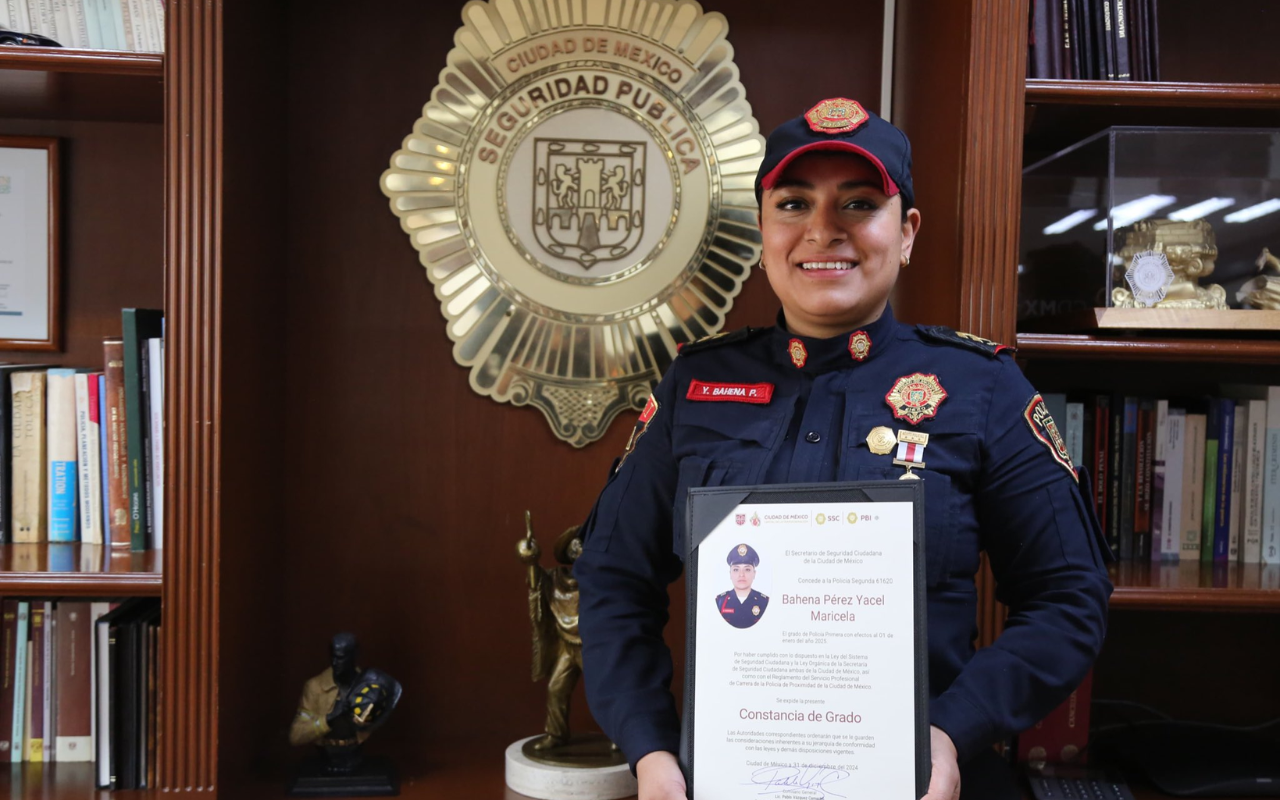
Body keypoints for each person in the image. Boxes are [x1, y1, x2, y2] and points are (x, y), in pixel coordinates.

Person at [573, 97, 1112, 800]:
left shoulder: (983, 388)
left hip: (927, 782)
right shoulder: (694, 385)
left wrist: (950, 734)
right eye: (794, 204)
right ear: (763, 229)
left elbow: (1069, 598)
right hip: (724, 779)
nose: (823, 231)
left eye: (859, 203)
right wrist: (650, 752)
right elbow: (614, 580)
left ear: (907, 230)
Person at [715, 543, 769, 628]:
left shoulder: (765, 602)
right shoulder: (720, 602)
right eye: (736, 569)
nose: (741, 574)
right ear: (730, 574)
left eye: (747, 569)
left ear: (754, 574)